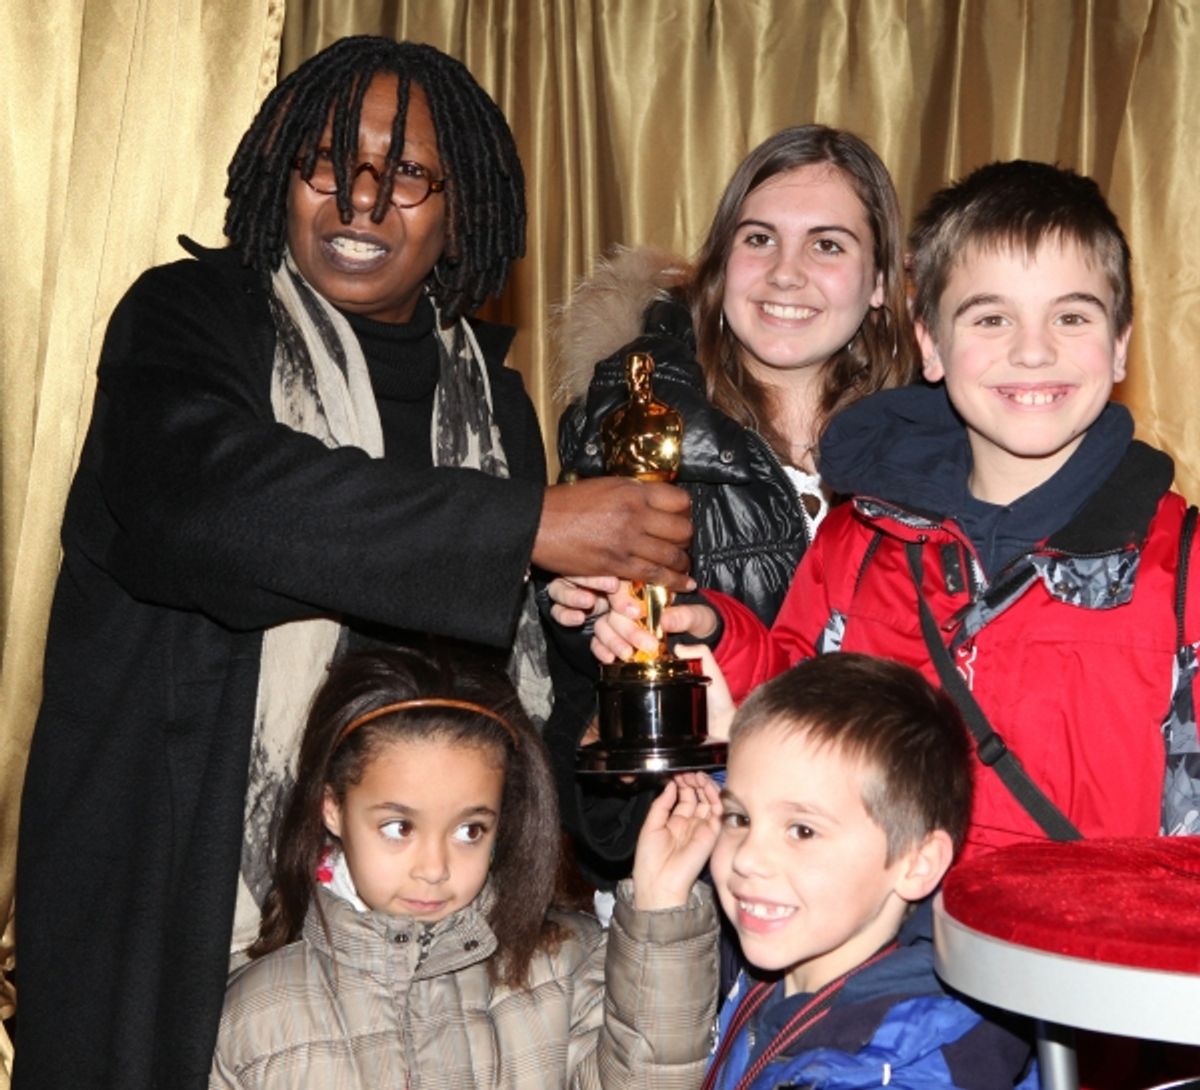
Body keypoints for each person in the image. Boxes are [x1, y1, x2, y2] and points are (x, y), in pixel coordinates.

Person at [14, 36, 692, 1090]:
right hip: (177, 916)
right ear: (283, 176)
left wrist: (592, 657)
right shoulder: (189, 322)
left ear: (459, 206)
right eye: (330, 162)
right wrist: (527, 528)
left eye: (408, 172)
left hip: (423, 956)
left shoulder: (495, 401)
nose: (362, 202)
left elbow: (490, 689)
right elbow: (208, 511)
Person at [607, 159, 1200, 863]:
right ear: (931, 344)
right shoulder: (861, 537)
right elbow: (796, 709)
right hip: (875, 949)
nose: (1033, 351)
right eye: (991, 317)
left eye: (1071, 316)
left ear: (1122, 343)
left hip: (1078, 959)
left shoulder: (1182, 569)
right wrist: (715, 632)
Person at [542, 126, 919, 883]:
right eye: (759, 239)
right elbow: (588, 687)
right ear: (718, 265)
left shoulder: (937, 443)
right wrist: (588, 625)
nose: (786, 273)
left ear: (881, 281)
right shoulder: (629, 419)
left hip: (888, 859)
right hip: (694, 861)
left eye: (828, 245)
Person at [210, 646, 719, 1089]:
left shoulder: (563, 966)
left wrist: (661, 904)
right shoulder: (254, 1018)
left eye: (469, 830)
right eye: (398, 828)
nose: (434, 868)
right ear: (333, 809)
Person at [696, 654, 1034, 1088]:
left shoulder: (901, 1069)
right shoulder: (796, 949)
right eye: (739, 819)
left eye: (802, 831)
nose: (746, 858)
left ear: (918, 863)